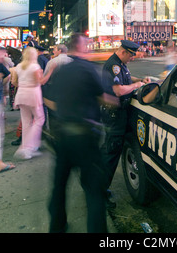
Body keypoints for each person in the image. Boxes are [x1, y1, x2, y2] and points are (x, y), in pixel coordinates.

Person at [48, 33, 117, 233]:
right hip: (85, 138)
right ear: (80, 46)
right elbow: (105, 98)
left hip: (62, 136)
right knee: (94, 191)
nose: (89, 48)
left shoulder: (61, 70)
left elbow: (50, 100)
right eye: (87, 44)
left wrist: (66, 107)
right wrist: (113, 101)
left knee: (59, 186)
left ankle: (57, 227)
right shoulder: (88, 69)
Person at [101, 40, 150, 208]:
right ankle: (99, 193)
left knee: (110, 151)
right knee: (111, 154)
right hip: (114, 115)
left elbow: (126, 79)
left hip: (118, 114)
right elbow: (118, 90)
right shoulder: (113, 65)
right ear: (123, 52)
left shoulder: (120, 64)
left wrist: (139, 80)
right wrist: (137, 85)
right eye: (131, 55)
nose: (132, 58)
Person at [12, 47, 45, 160]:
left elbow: (14, 82)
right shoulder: (35, 66)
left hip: (21, 94)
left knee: (26, 122)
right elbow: (41, 82)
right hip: (33, 95)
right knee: (39, 119)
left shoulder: (18, 67)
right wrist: (50, 72)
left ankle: (26, 149)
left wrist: (23, 86)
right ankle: (27, 147)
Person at [0, 47, 15, 174]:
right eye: (0, 54)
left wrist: (3, 88)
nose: (2, 57)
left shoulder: (1, 66)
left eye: (4, 55)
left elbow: (8, 76)